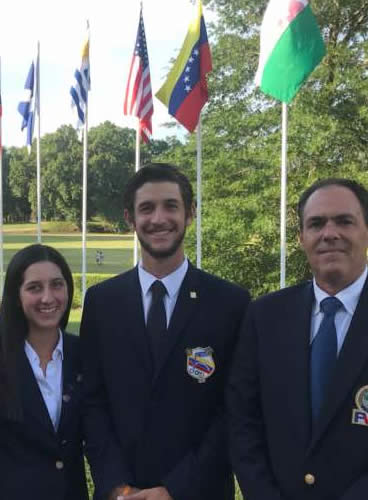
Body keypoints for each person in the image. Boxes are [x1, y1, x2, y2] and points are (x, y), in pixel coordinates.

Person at [227, 178, 368, 500]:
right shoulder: (264, 318)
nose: (329, 233)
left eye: (344, 221)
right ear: (301, 238)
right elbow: (243, 425)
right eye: (316, 224)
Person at [80, 163, 250, 500]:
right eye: (147, 208)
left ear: (190, 214)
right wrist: (117, 486)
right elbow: (92, 403)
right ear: (130, 219)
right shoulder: (102, 302)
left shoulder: (230, 302)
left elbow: (235, 409)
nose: (159, 218)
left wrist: (176, 489)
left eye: (171, 206)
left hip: (199, 492)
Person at [0, 244, 88, 500]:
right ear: (16, 295)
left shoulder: (84, 357)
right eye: (34, 287)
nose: (48, 297)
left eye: (57, 285)